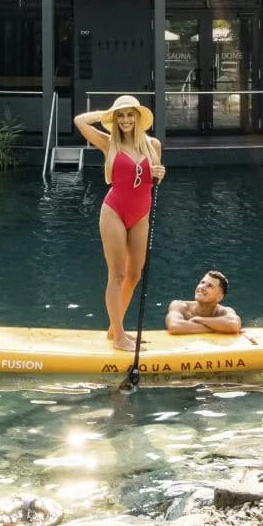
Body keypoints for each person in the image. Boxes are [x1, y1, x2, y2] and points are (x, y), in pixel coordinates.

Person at [73, 94, 164, 351]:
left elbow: (155, 178)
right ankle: (119, 336)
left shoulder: (153, 145)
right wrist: (106, 114)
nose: (125, 120)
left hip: (141, 214)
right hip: (113, 211)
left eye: (129, 114)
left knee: (133, 275)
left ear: (137, 117)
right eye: (121, 115)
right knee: (117, 275)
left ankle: (114, 329)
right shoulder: (108, 142)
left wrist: (160, 173)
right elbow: (80, 121)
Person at [167, 270, 241, 334]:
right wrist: (219, 329)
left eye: (210, 286)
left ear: (219, 297)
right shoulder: (179, 305)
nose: (202, 287)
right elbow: (174, 326)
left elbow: (234, 324)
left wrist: (198, 319)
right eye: (202, 282)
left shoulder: (223, 311)